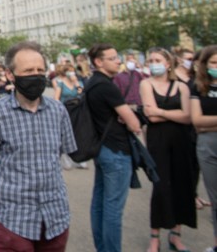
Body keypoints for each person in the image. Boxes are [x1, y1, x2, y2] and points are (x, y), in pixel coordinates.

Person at [0, 41, 76, 251]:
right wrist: (2, 200)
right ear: (11, 75)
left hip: (55, 217)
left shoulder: (58, 111)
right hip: (14, 220)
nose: (36, 75)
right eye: (29, 70)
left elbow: (60, 157)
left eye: (40, 70)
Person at [85, 43, 143, 252]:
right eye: (112, 58)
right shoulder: (106, 86)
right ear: (99, 62)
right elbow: (134, 124)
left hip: (102, 149)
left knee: (100, 204)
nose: (118, 61)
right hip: (116, 151)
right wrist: (128, 117)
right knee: (112, 208)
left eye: (117, 57)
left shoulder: (93, 83)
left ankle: (103, 248)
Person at [140, 47, 196, 252]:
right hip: (158, 141)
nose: (154, 63)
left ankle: (176, 235)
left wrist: (160, 111)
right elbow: (151, 117)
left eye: (158, 59)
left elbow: (188, 117)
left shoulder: (181, 87)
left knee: (181, 186)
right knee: (160, 188)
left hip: (181, 141)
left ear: (168, 63)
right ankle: (155, 237)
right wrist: (173, 113)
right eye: (151, 60)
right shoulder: (146, 83)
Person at [191, 45, 217, 252]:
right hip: (208, 146)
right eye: (214, 63)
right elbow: (197, 121)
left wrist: (209, 122)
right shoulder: (198, 87)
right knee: (215, 198)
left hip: (208, 136)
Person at [53, 61, 88, 170]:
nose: (71, 74)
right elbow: (56, 98)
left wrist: (76, 83)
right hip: (66, 110)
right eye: (69, 72)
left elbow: (82, 94)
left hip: (77, 111)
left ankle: (80, 159)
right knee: (67, 134)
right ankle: (65, 156)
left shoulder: (79, 83)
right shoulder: (61, 83)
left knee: (79, 133)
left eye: (73, 72)